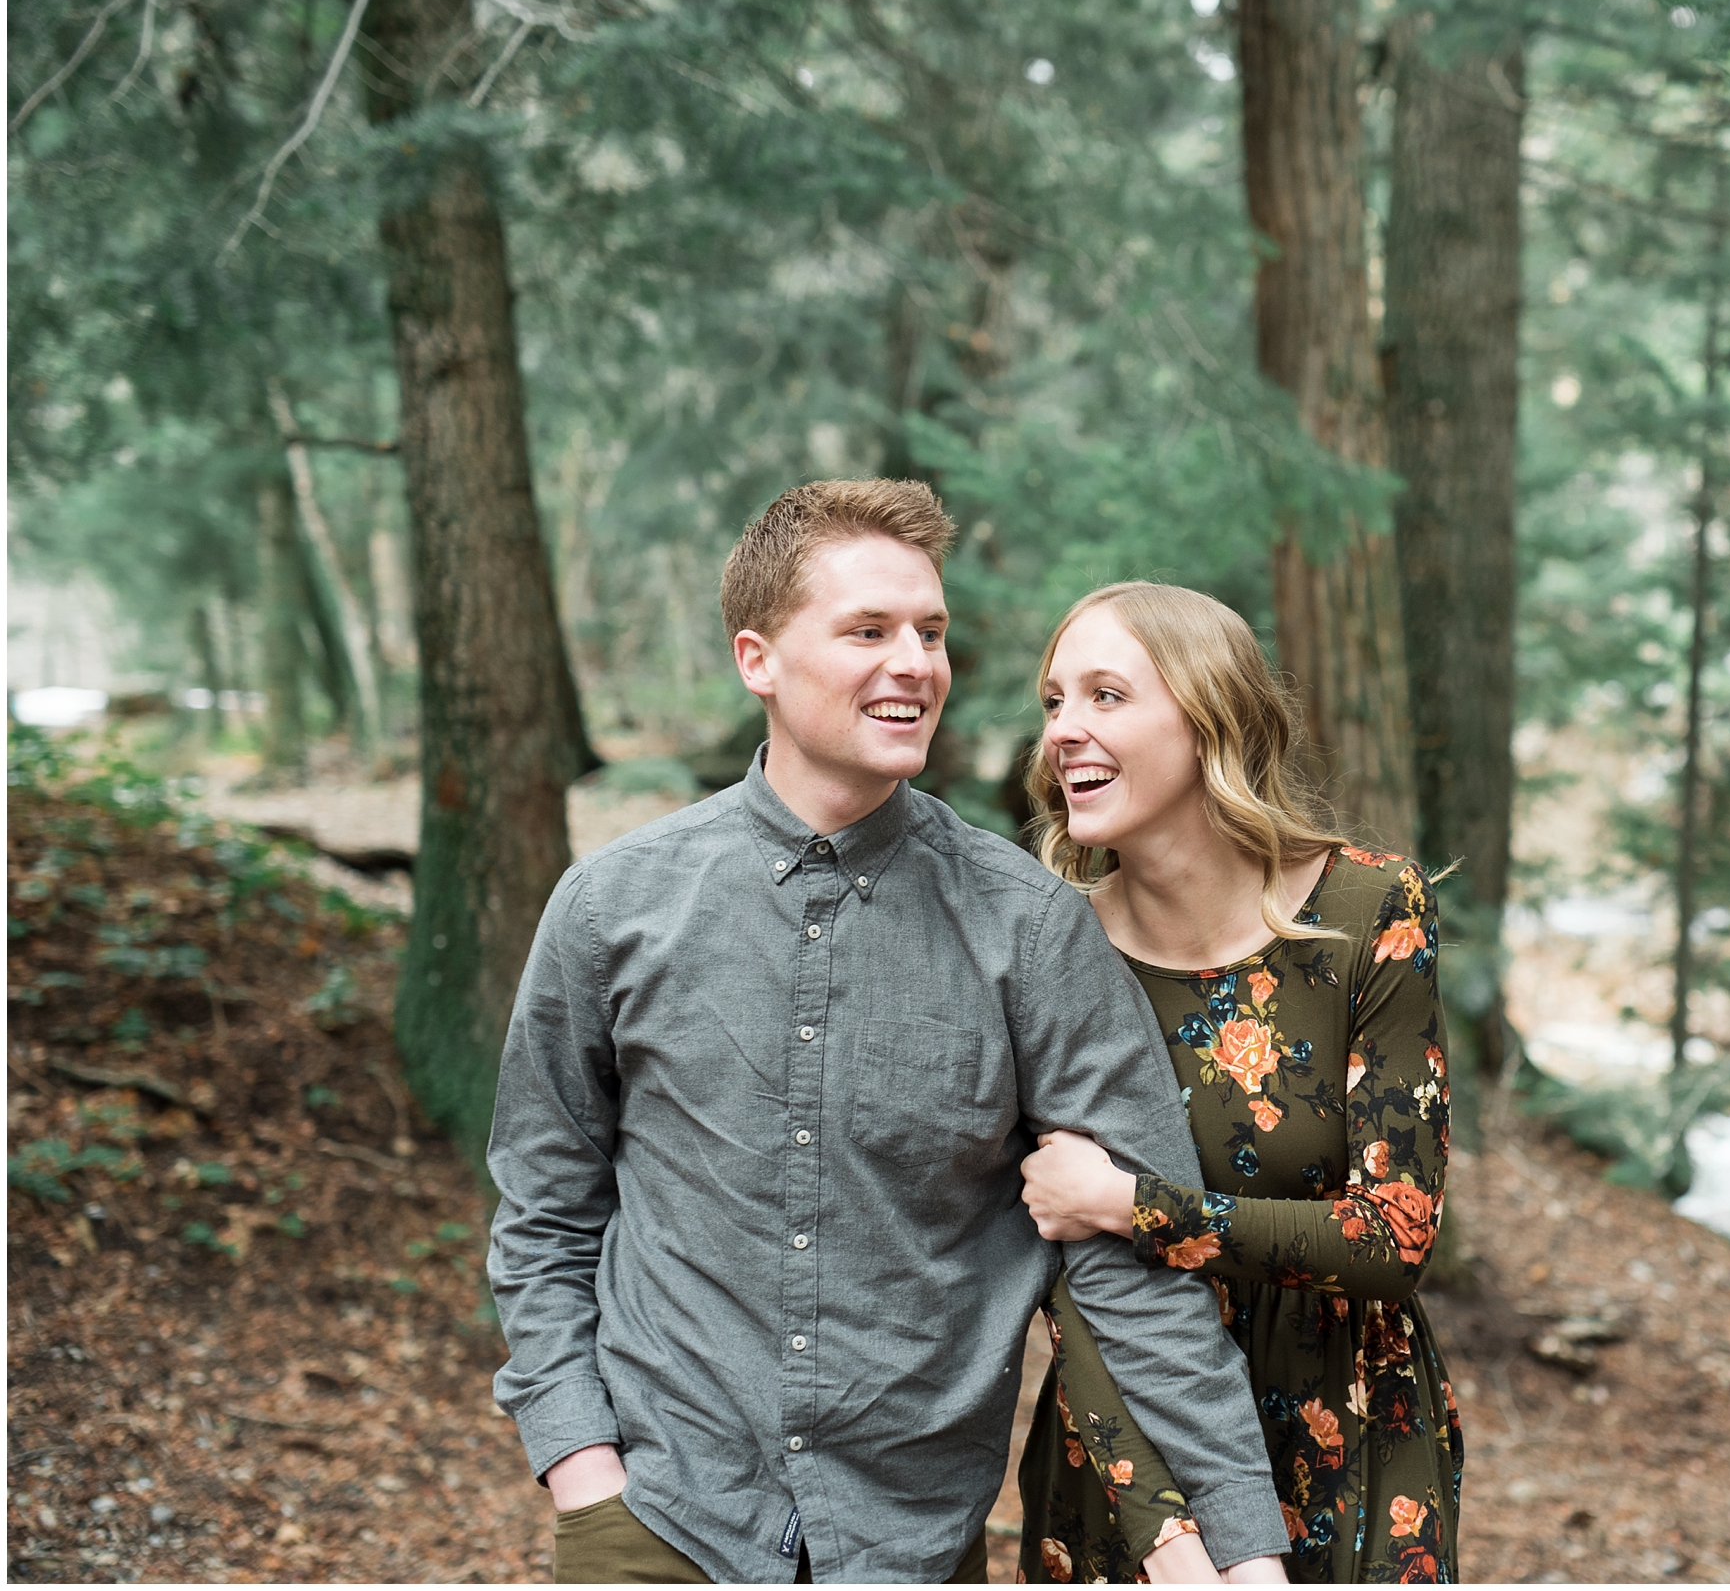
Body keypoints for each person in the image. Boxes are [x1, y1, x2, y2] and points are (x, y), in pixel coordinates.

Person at [486, 484, 1292, 1584]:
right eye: (868, 630)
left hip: (910, 1542)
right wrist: (581, 1469)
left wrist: (1244, 1551)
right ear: (756, 659)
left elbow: (1130, 1270)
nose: (914, 661)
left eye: (931, 631)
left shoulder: (1033, 929)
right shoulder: (611, 907)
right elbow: (546, 1204)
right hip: (662, 1523)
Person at [1013, 582, 1462, 1585]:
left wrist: (1134, 1207)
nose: (1063, 732)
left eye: (1105, 696)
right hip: (1127, 1440)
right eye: (1053, 702)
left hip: (1352, 1428)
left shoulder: (1369, 907)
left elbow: (1395, 1236)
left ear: (1209, 717)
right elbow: (1065, 1266)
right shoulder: (1049, 945)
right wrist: (1168, 1536)